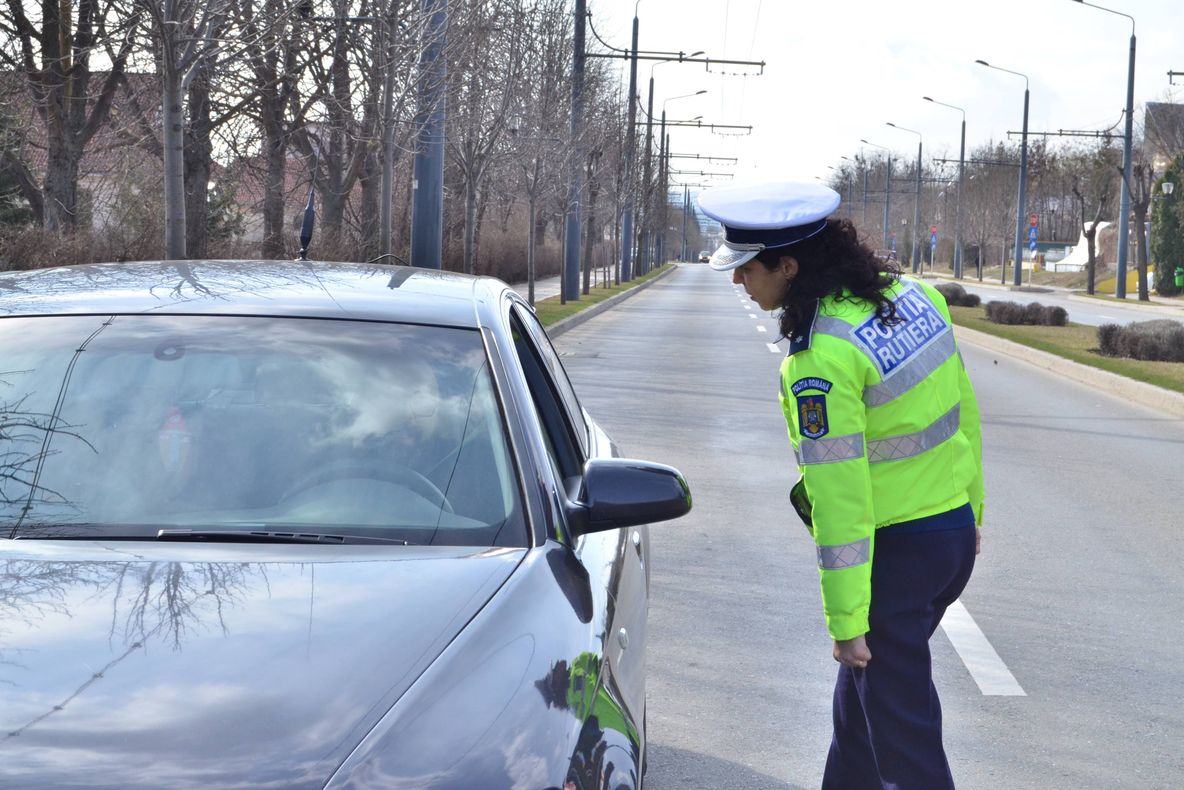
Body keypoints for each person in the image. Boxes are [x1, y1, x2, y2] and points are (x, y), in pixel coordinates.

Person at [698, 180, 984, 789]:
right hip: (948, 539)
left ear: (789, 266)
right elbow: (962, 416)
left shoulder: (821, 359)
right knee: (858, 721)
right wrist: (972, 515)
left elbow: (840, 499)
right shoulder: (915, 298)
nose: (737, 282)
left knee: (906, 746)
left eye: (747, 268)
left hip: (895, 559)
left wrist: (848, 621)